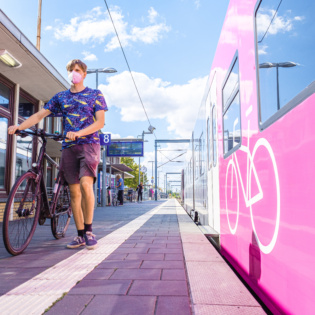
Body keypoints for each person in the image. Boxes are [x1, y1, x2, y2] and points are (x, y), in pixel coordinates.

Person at [8, 59, 107, 250]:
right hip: (69, 147)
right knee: (74, 192)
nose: (74, 73)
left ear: (84, 74)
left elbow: (100, 123)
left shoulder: (95, 95)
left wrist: (79, 132)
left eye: (77, 70)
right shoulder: (61, 97)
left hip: (89, 145)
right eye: (71, 70)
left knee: (86, 185)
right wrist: (19, 126)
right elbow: (39, 115)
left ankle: (89, 231)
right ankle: (79, 235)